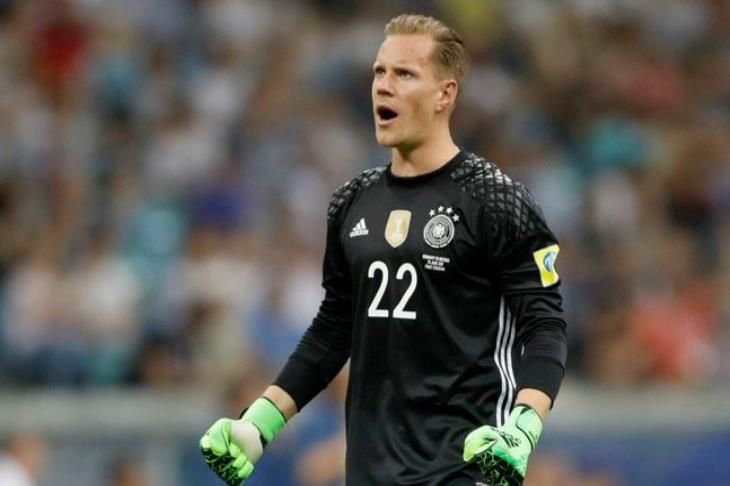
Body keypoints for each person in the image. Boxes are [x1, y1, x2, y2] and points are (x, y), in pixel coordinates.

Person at [200, 13, 567, 486]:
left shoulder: (497, 201)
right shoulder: (352, 202)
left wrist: (525, 424)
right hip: (369, 472)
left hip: (463, 468)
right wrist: (260, 422)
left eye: (404, 74)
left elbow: (545, 325)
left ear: (445, 94)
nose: (383, 86)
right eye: (379, 72)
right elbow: (334, 328)